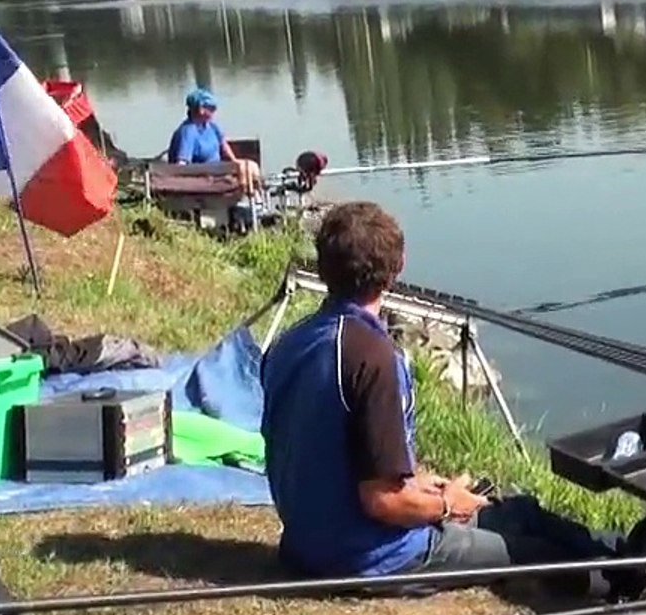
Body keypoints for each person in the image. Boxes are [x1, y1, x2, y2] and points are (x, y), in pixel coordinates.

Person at [260, 201, 619, 585]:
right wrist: (447, 505)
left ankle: (626, 551)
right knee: (538, 556)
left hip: (308, 538)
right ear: (397, 268)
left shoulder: (290, 342)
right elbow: (383, 502)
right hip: (364, 555)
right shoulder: (372, 358)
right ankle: (629, 589)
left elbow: (335, 451)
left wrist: (421, 483)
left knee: (521, 511)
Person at [165, 87, 262, 194]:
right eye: (211, 108)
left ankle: (255, 196)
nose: (214, 111)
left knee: (250, 166)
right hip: (204, 177)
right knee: (241, 169)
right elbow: (181, 164)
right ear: (201, 109)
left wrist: (234, 160)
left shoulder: (212, 126)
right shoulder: (188, 131)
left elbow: (223, 144)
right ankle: (247, 194)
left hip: (217, 170)